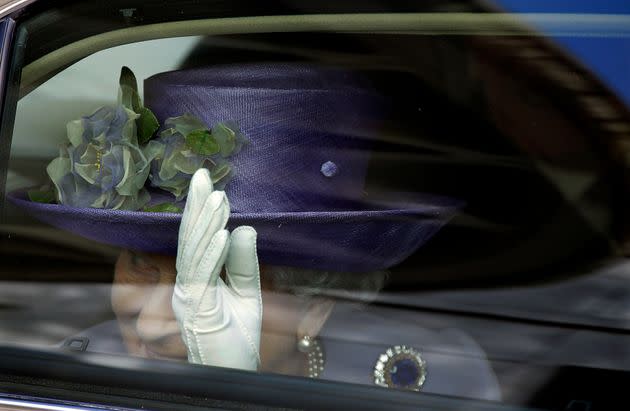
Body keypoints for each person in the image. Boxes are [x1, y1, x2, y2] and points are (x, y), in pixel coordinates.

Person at [10, 63, 501, 400]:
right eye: (140, 264)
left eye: (212, 279)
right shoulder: (69, 378)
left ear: (313, 310)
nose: (150, 326)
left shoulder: (439, 380)